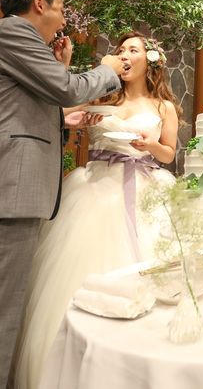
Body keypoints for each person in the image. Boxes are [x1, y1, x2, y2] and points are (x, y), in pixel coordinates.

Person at [14, 31, 180, 389]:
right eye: (120, 50)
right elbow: (58, 113)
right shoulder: (101, 96)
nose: (124, 55)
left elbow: (169, 153)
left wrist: (152, 146)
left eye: (133, 49)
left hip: (146, 188)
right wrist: (66, 78)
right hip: (95, 188)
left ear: (149, 61)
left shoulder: (163, 107)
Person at [0, 0, 124, 389]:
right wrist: (105, 69)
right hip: (12, 188)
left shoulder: (21, 42)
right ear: (40, 5)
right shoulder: (13, 32)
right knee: (5, 308)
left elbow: (30, 101)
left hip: (19, 188)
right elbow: (66, 89)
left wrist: (62, 108)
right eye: (60, 7)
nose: (64, 17)